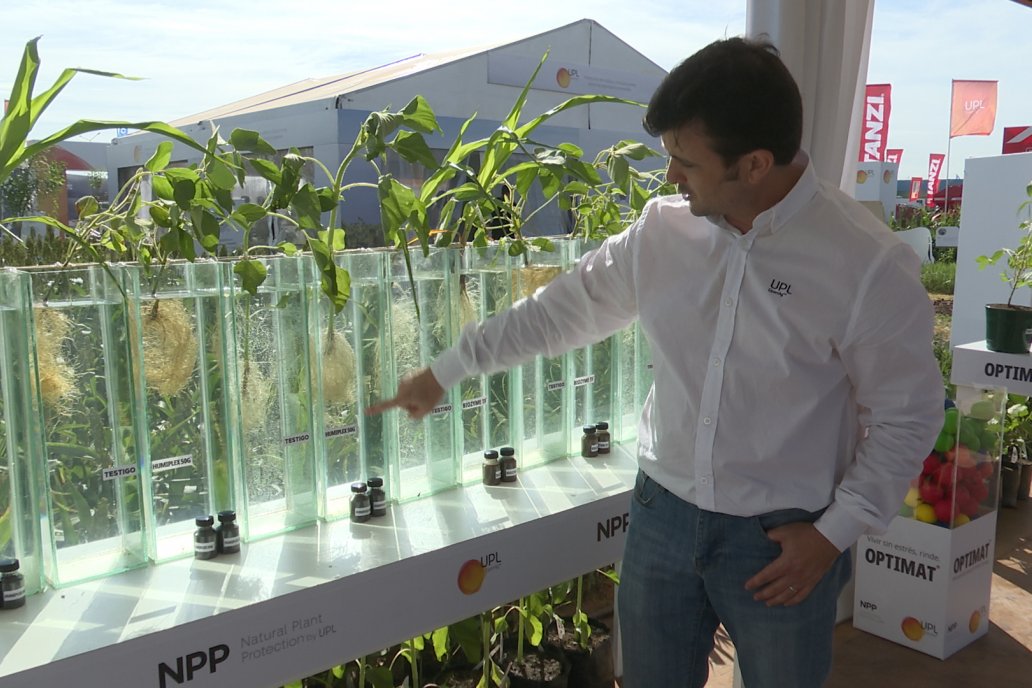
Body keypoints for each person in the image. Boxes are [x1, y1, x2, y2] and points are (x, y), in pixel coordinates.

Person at [367, 37, 944, 688]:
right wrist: (446, 369)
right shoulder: (662, 234)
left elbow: (908, 415)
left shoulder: (865, 265)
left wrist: (833, 534)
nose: (670, 176)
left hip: (783, 540)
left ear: (753, 164)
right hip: (661, 516)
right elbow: (560, 311)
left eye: (684, 161)